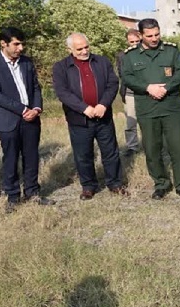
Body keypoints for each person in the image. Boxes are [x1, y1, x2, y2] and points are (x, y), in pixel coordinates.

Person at [0, 27, 56, 213]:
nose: (20, 48)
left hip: (31, 118)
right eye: (16, 44)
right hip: (8, 120)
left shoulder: (27, 62)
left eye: (22, 44)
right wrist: (23, 109)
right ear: (3, 43)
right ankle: (13, 196)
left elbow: (36, 88)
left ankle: (32, 192)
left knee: (31, 156)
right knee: (11, 158)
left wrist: (37, 109)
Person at [120, 18, 180, 200]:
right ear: (140, 35)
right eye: (149, 36)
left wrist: (166, 88)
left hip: (171, 107)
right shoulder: (130, 56)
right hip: (147, 108)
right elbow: (127, 77)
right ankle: (161, 184)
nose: (154, 38)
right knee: (152, 149)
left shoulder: (171, 51)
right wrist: (148, 88)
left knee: (178, 148)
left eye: (157, 34)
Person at [52, 33, 128, 200]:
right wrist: (83, 108)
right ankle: (88, 186)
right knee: (83, 154)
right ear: (70, 49)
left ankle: (115, 183)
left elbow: (112, 83)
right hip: (79, 119)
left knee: (110, 152)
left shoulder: (102, 61)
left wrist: (103, 104)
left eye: (86, 47)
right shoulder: (61, 67)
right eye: (79, 49)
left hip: (103, 116)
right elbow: (62, 92)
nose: (84, 51)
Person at [117, 29, 142, 157]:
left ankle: (151, 145)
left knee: (148, 122)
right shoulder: (122, 56)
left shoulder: (147, 53)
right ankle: (132, 146)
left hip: (146, 93)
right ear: (127, 41)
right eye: (131, 41)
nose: (134, 44)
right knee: (131, 122)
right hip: (130, 93)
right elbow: (123, 75)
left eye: (137, 41)